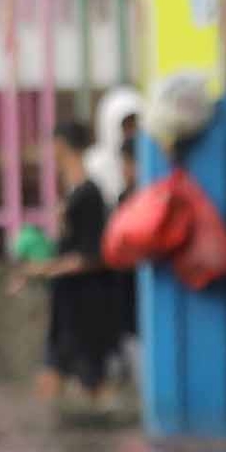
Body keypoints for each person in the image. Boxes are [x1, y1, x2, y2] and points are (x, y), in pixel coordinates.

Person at [21, 118, 133, 403]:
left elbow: (93, 256)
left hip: (86, 308)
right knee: (55, 377)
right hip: (68, 306)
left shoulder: (89, 195)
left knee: (91, 383)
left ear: (60, 145)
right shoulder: (72, 195)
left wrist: (45, 269)